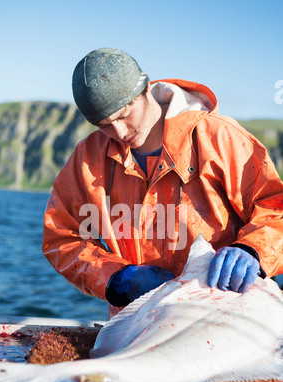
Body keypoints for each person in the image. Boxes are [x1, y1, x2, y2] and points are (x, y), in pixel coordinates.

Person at [42, 47, 283, 318]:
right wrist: (117, 277)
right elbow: (61, 236)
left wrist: (252, 249)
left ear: (145, 89)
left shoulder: (220, 137)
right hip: (140, 324)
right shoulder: (87, 158)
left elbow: (277, 210)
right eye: (104, 125)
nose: (119, 133)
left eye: (124, 115)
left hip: (228, 318)